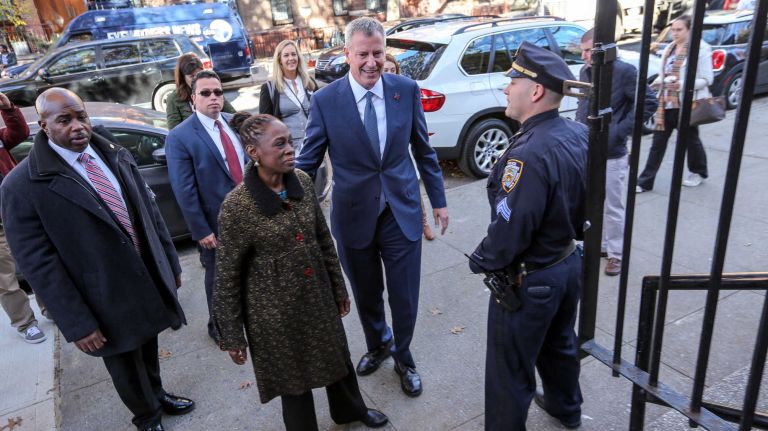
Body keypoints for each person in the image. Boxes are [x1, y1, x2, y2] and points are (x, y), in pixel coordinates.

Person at [0, 88, 193, 431]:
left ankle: (157, 394)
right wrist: (77, 322)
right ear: (44, 126)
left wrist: (169, 263)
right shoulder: (21, 186)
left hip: (143, 274)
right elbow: (37, 263)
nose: (78, 126)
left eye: (81, 116)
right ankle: (146, 417)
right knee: (123, 361)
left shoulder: (112, 151)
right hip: (98, 294)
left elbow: (148, 212)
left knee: (148, 342)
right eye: (64, 120)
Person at [296, 17, 449, 398]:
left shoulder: (406, 89)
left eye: (377, 53)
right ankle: (378, 343)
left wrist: (440, 201)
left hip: (401, 212)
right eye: (362, 54)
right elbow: (307, 161)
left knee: (404, 295)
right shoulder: (325, 101)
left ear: (385, 53)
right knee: (366, 295)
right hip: (353, 217)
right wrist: (279, 196)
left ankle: (403, 356)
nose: (371, 62)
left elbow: (424, 152)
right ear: (347, 54)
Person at [213, 113, 389, 430]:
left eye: (290, 142)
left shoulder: (304, 183)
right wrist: (231, 335)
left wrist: (338, 288)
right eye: (279, 144)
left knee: (337, 358)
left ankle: (350, 411)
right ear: (254, 152)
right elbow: (227, 275)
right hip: (274, 315)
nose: (290, 149)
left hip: (317, 296)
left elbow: (323, 240)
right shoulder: (237, 206)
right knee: (293, 380)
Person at [469, 41, 588, 430]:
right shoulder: (577, 133)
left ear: (535, 91)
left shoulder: (527, 154)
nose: (506, 88)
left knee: (509, 376)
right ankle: (565, 408)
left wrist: (483, 257)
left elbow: (511, 229)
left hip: (530, 277)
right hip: (567, 264)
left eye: (513, 81)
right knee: (559, 346)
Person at [165, 70, 245, 343]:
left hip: (249, 214)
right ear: (193, 99)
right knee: (219, 277)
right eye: (206, 93)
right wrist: (200, 230)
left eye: (218, 92)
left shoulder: (233, 123)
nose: (214, 98)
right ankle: (219, 326)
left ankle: (246, 315)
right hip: (215, 222)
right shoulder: (180, 137)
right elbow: (183, 189)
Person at [576, 29, 658, 276]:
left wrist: (618, 132)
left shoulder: (625, 72)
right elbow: (583, 104)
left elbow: (648, 102)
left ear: (604, 50)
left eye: (588, 50)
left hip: (612, 152)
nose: (584, 56)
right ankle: (599, 246)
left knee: (613, 206)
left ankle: (616, 255)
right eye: (582, 51)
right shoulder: (585, 71)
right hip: (587, 149)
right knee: (591, 202)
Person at [637, 15, 713, 192]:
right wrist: (659, 80)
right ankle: (644, 182)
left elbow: (707, 78)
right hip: (665, 103)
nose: (675, 33)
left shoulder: (700, 49)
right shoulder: (670, 48)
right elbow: (666, 71)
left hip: (686, 103)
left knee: (690, 141)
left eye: (679, 30)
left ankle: (698, 171)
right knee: (657, 144)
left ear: (689, 30)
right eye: (673, 29)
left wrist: (682, 85)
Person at [0, 90, 47, 343]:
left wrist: (8, 109)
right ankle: (25, 323)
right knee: (6, 282)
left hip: (16, 215)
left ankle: (50, 307)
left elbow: (18, 134)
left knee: (37, 263)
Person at [382, 54, 435, 241]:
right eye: (385, 70)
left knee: (412, 189)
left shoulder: (405, 91)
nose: (389, 73)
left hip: (404, 154)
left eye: (392, 70)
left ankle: (424, 222)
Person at [259, 40, 317, 155]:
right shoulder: (269, 88)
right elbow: (264, 125)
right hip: (288, 152)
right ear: (280, 60)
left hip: (314, 148)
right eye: (286, 55)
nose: (291, 58)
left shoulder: (309, 83)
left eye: (293, 54)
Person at [165, 53, 235, 130]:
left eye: (199, 74)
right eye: (192, 76)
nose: (196, 79)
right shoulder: (173, 98)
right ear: (183, 77)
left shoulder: (211, 89)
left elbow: (233, 116)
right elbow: (174, 132)